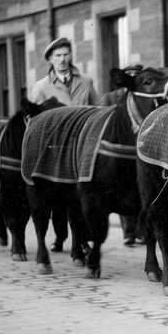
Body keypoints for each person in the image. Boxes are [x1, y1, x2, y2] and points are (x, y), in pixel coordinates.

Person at [30, 37, 100, 252]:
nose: (62, 59)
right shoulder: (41, 87)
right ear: (50, 60)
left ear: (71, 56)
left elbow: (97, 111)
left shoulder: (86, 82)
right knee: (59, 199)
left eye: (65, 54)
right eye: (57, 56)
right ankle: (60, 237)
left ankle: (83, 240)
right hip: (57, 149)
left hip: (82, 147)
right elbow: (32, 123)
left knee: (84, 194)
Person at [100, 63, 145, 246]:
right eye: (129, 75)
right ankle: (128, 232)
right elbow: (102, 118)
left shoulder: (144, 97)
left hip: (138, 149)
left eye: (137, 75)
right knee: (121, 190)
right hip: (118, 151)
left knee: (140, 191)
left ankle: (141, 232)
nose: (132, 78)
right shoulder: (111, 97)